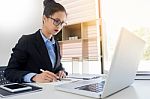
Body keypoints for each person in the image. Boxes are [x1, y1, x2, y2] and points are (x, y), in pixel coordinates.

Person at [4, 0, 68, 83]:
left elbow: (57, 67)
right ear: (44, 18)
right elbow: (9, 72)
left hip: (51, 90)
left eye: (62, 23)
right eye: (56, 21)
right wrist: (34, 77)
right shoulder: (27, 41)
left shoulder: (55, 44)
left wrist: (61, 71)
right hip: (32, 92)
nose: (59, 26)